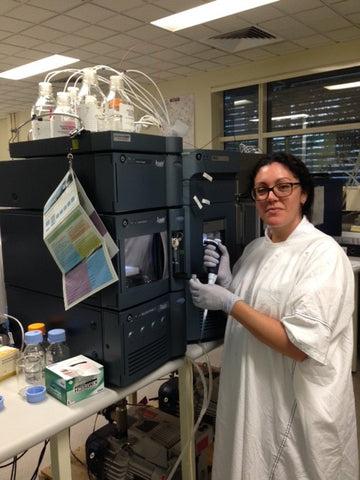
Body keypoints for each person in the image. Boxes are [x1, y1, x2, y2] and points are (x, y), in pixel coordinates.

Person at [190, 152, 358, 479]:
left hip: (294, 410)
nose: (272, 197)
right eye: (261, 189)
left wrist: (229, 301)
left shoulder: (323, 256)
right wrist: (229, 282)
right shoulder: (256, 249)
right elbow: (254, 308)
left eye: (283, 187)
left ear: (303, 193)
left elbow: (299, 345)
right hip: (250, 397)